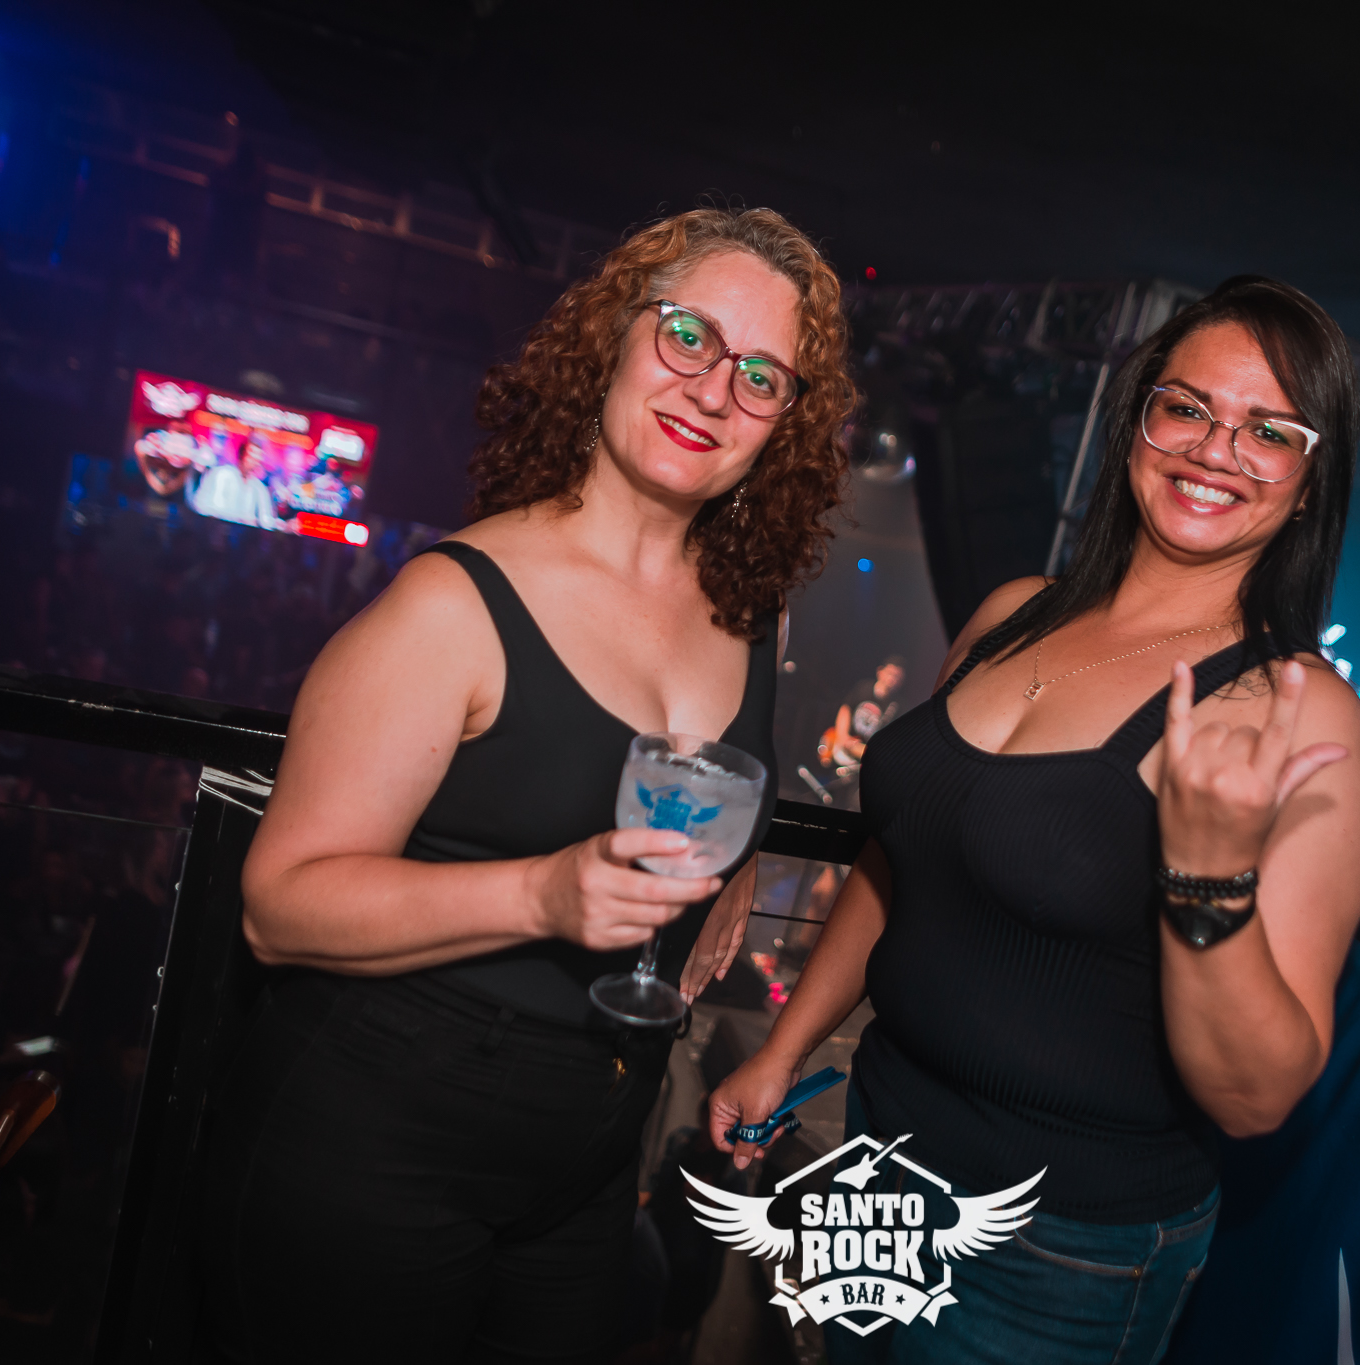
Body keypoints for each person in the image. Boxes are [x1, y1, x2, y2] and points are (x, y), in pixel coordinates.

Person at [197, 206, 855, 1364]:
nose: (713, 391)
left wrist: (739, 858)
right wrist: (542, 895)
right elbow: (277, 907)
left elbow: (690, 768)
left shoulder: (751, 616)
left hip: (589, 1159)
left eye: (760, 376)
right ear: (615, 336)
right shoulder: (453, 606)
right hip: (382, 1139)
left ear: (783, 425)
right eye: (689, 337)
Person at [710, 276, 1360, 1364]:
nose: (1214, 449)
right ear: (1136, 424)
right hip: (877, 1154)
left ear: (1310, 484)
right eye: (1185, 407)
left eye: (1269, 431)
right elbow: (900, 861)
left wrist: (1206, 878)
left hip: (1054, 1249)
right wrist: (784, 1050)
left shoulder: (1297, 714)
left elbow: (1257, 1099)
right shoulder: (1011, 612)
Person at [818, 654, 907, 772]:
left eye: (898, 678)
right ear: (880, 671)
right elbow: (846, 709)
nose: (893, 680)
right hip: (844, 745)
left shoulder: (897, 707)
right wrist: (844, 736)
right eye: (890, 674)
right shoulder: (863, 688)